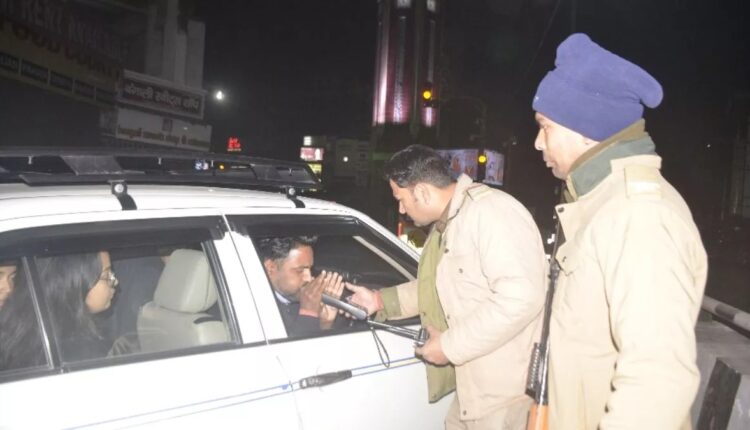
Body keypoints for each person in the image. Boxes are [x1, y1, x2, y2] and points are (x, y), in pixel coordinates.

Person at [531, 33, 708, 429]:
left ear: (586, 128)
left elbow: (656, 382)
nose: (538, 142)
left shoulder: (639, 215)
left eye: (545, 127)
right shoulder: (603, 204)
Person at [347, 145, 546, 430]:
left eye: (401, 199)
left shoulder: (491, 213)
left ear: (422, 192)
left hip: (505, 398)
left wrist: (450, 346)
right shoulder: (450, 222)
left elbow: (521, 297)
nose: (400, 209)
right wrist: (379, 301)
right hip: (473, 392)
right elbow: (438, 286)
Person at [37, 251, 119, 361]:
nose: (115, 281)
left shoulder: (47, 332)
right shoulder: (79, 352)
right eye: (106, 275)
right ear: (77, 283)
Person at [257, 236, 345, 336]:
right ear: (270, 268)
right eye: (300, 270)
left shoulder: (297, 299)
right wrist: (308, 313)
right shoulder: (254, 308)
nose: (309, 278)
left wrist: (325, 323)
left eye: (310, 269)